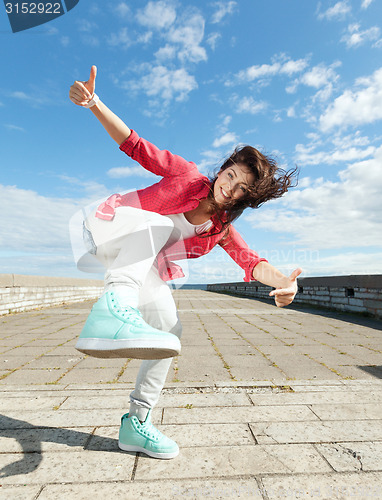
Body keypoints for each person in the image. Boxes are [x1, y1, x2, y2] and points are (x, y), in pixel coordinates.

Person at [69, 66, 302, 460]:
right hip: (106, 231)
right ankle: (112, 310)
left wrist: (284, 281)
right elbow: (135, 144)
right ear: (222, 169)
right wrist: (94, 103)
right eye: (229, 175)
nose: (228, 187)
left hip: (138, 266)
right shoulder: (186, 175)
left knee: (167, 332)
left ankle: (136, 424)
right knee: (158, 224)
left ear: (245, 199)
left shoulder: (220, 229)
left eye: (240, 189)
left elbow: (251, 260)